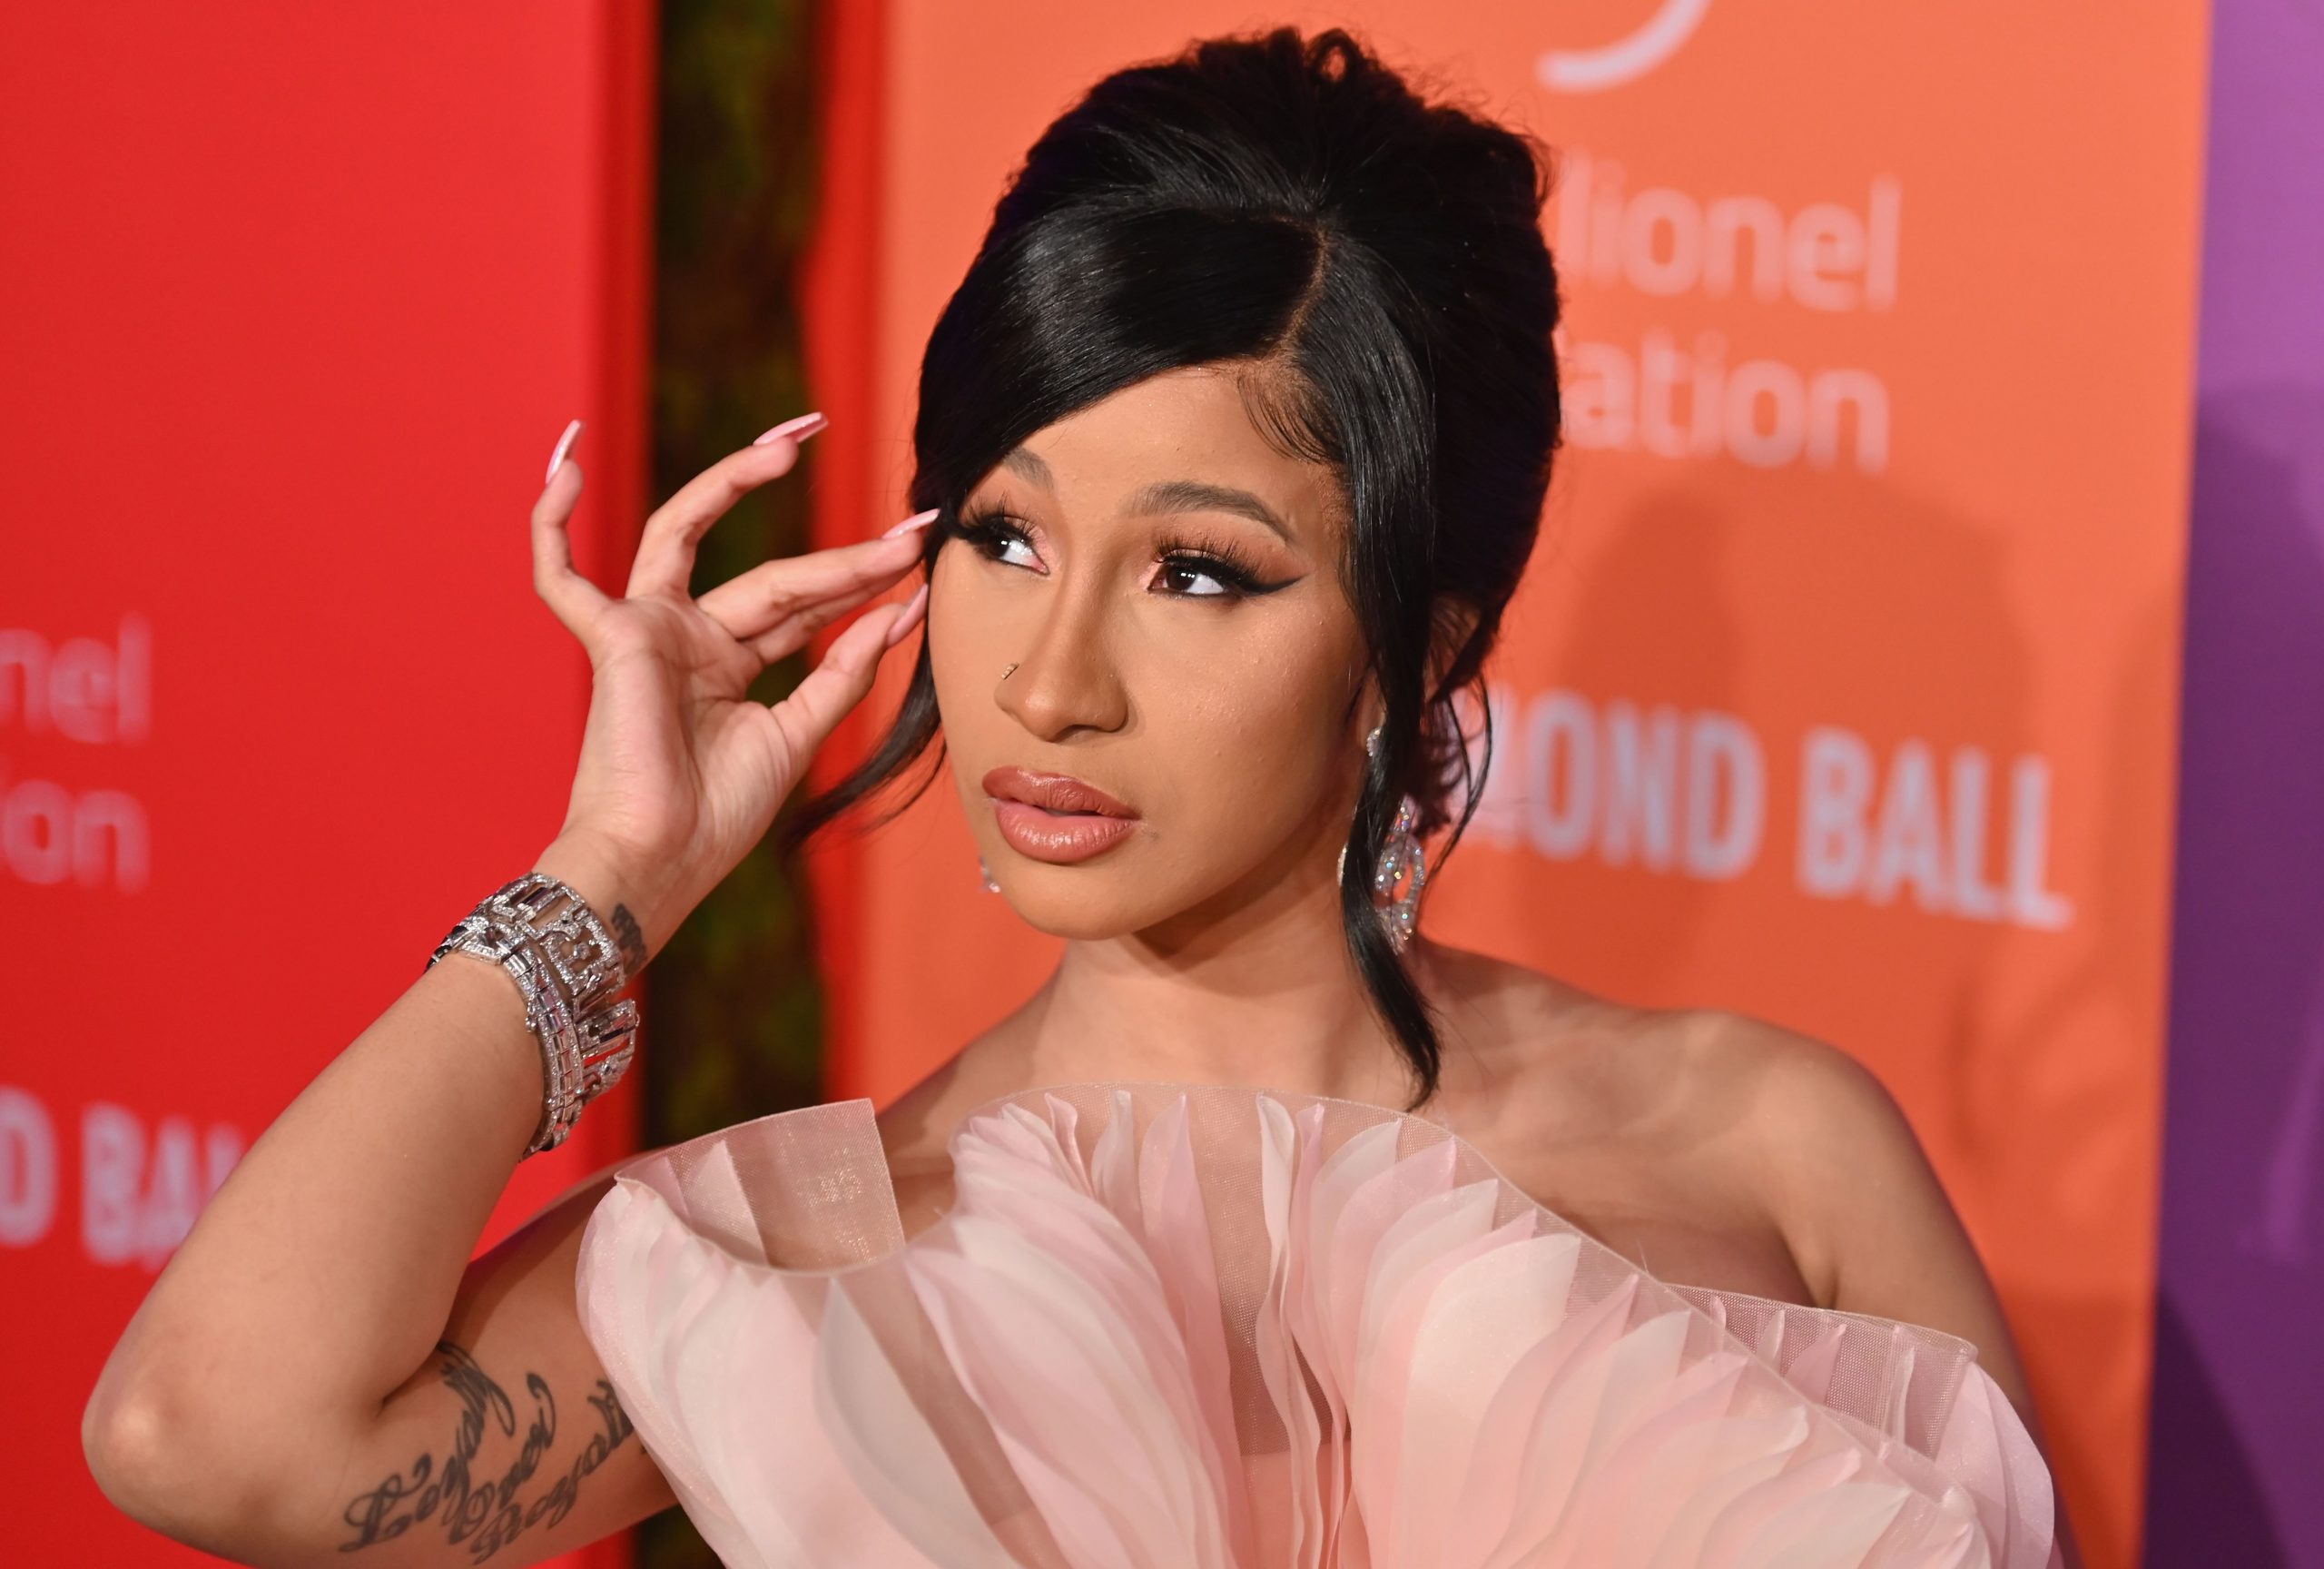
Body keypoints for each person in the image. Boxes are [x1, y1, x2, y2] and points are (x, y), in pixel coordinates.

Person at [84, 25, 2072, 1569]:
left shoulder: (1769, 1145)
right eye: (1005, 538)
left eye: (1198, 573)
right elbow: (210, 1436)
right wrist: (612, 877)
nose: (1048, 681)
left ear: (1419, 638)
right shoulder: (821, 1251)